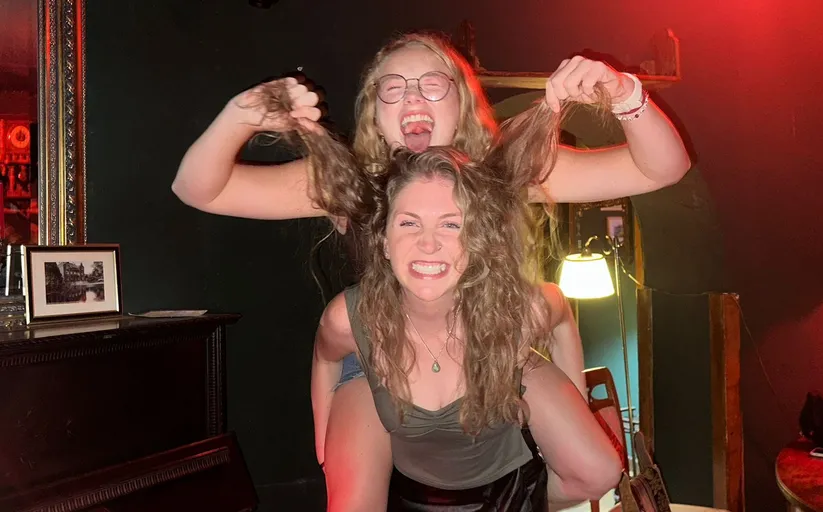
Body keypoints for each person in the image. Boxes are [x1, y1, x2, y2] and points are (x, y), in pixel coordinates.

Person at [172, 31, 689, 509]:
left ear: (462, 100)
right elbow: (198, 189)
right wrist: (242, 116)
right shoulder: (346, 181)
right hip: (382, 359)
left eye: (432, 83)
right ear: (374, 112)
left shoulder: (508, 172)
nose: (413, 97)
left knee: (596, 470)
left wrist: (625, 94)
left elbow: (663, 168)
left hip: (492, 349)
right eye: (393, 87)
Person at [314, 145, 622, 509]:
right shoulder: (348, 318)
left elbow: (560, 312)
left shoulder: (517, 311)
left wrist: (576, 407)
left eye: (451, 224)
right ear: (383, 242)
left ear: (476, 241)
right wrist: (322, 443)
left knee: (601, 472)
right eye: (409, 223)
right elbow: (325, 359)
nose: (428, 243)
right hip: (383, 406)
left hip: (498, 444)